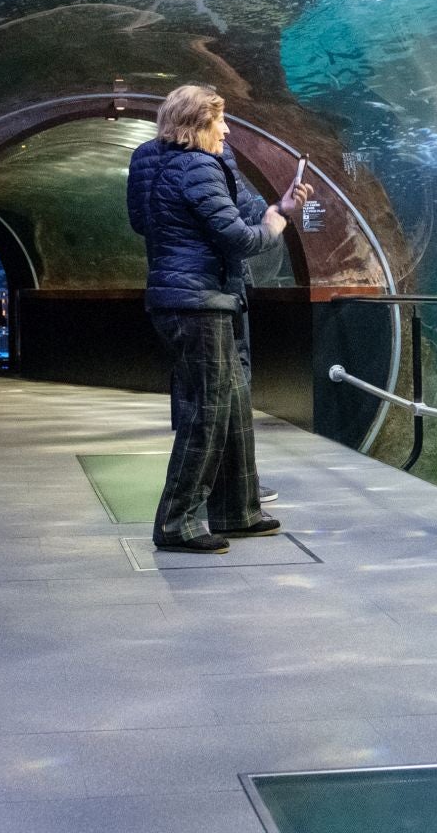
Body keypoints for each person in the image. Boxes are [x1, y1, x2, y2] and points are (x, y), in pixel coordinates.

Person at [126, 85, 309, 553]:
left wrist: (277, 206)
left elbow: (142, 222)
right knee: (206, 413)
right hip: (201, 301)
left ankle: (236, 509)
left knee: (227, 404)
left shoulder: (149, 159)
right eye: (219, 122)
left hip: (180, 298)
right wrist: (276, 224)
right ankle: (177, 521)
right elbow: (240, 239)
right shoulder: (198, 164)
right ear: (197, 124)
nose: (226, 131)